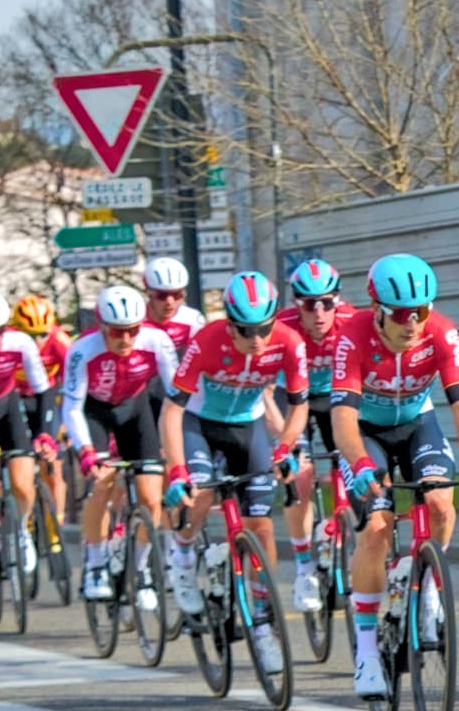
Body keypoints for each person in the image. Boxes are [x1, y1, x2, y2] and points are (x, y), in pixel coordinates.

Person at [331, 254, 459, 699]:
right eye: (402, 314)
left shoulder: (442, 332)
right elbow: (344, 419)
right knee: (376, 527)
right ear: (377, 310)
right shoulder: (351, 337)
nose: (413, 323)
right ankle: (367, 651)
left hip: (416, 424)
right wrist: (361, 465)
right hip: (367, 432)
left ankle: (427, 581)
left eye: (422, 311)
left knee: (441, 501)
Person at [160, 271, 310, 673]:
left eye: (265, 327)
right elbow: (172, 411)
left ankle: (263, 622)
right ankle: (182, 553)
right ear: (229, 323)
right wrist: (177, 471)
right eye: (246, 329)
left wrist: (285, 448)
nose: (258, 337)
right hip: (199, 426)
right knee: (203, 492)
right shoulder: (206, 341)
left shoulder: (288, 343)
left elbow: (299, 406)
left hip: (248, 428)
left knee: (260, 526)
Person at [61, 285, 177, 603]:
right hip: (94, 413)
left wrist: (177, 441)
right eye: (117, 332)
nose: (125, 340)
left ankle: (141, 571)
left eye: (132, 331)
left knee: (152, 500)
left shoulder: (156, 341)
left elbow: (178, 395)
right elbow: (71, 407)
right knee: (101, 483)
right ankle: (95, 563)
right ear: (102, 327)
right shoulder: (83, 350)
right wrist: (85, 451)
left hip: (134, 411)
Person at [276, 258, 356, 614]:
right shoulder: (281, 327)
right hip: (293, 398)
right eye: (310, 304)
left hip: (335, 396)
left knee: (352, 463)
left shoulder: (353, 322)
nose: (320, 312)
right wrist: (283, 442)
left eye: (327, 302)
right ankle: (304, 564)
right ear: (298, 305)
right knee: (302, 474)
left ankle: (342, 527)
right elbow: (262, 385)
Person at [0, 292, 49, 589]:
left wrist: (45, 434)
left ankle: (22, 531)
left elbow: (43, 389)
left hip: (6, 404)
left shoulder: (20, 343)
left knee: (23, 481)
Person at [10, 294, 70, 539]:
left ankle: (55, 523)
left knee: (53, 465)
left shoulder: (59, 341)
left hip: (46, 399)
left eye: (42, 335)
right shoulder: (10, 341)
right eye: (29, 336)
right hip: (15, 399)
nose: (36, 342)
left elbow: (74, 385)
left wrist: (66, 427)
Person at [142, 257, 204, 358]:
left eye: (177, 295)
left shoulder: (192, 320)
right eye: (162, 296)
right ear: (148, 293)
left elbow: (197, 360)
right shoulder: (135, 323)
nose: (170, 302)